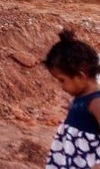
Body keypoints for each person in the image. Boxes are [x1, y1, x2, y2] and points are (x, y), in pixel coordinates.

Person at [43, 30, 100, 168]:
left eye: (62, 80)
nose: (61, 86)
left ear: (81, 76)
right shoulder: (80, 97)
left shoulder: (96, 102)